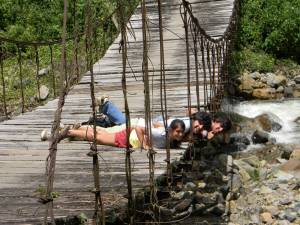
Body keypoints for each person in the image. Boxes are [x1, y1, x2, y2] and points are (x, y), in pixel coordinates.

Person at [92, 96, 212, 141]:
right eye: (200, 123)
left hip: (159, 121)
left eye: (202, 126)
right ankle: (106, 107)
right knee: (123, 126)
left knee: (122, 125)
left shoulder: (189, 123)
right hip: (154, 124)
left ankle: (104, 118)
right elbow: (160, 126)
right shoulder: (187, 126)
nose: (200, 127)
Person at [41, 119, 186, 149]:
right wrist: (143, 145)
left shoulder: (173, 140)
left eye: (181, 133)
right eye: (177, 132)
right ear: (171, 130)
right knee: (96, 137)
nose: (180, 135)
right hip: (128, 137)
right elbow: (137, 128)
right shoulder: (161, 133)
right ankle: (58, 135)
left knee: (97, 132)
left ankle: (68, 131)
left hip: (129, 141)